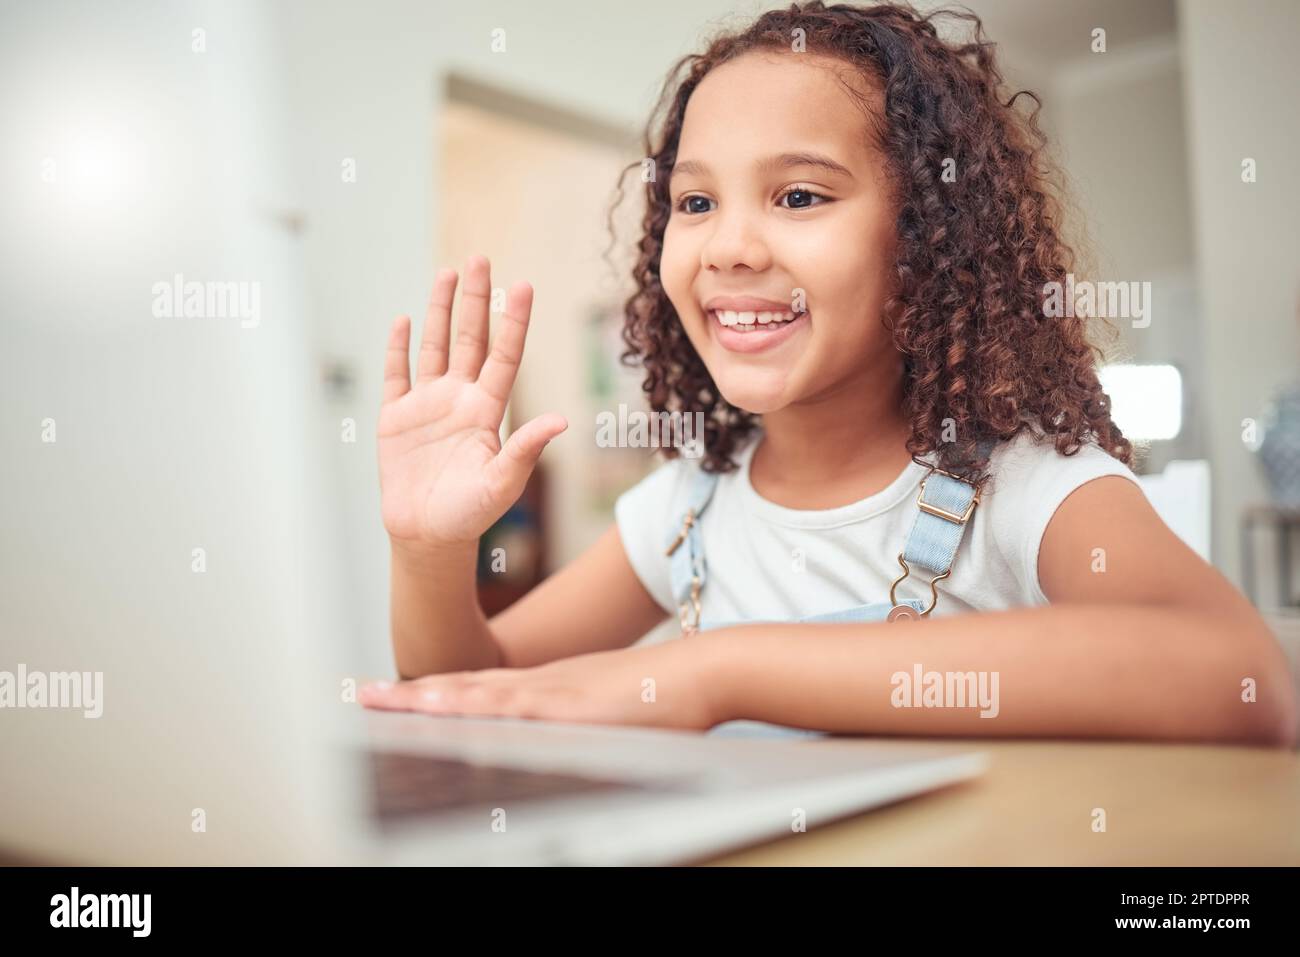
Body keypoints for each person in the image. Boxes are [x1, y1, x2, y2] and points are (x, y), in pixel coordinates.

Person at [360, 2, 1295, 745]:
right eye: (695, 201)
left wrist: (719, 671)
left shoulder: (1023, 486)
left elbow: (1237, 674)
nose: (728, 245)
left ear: (929, 237)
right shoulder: (687, 509)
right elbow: (465, 689)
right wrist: (431, 550)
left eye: (799, 195)